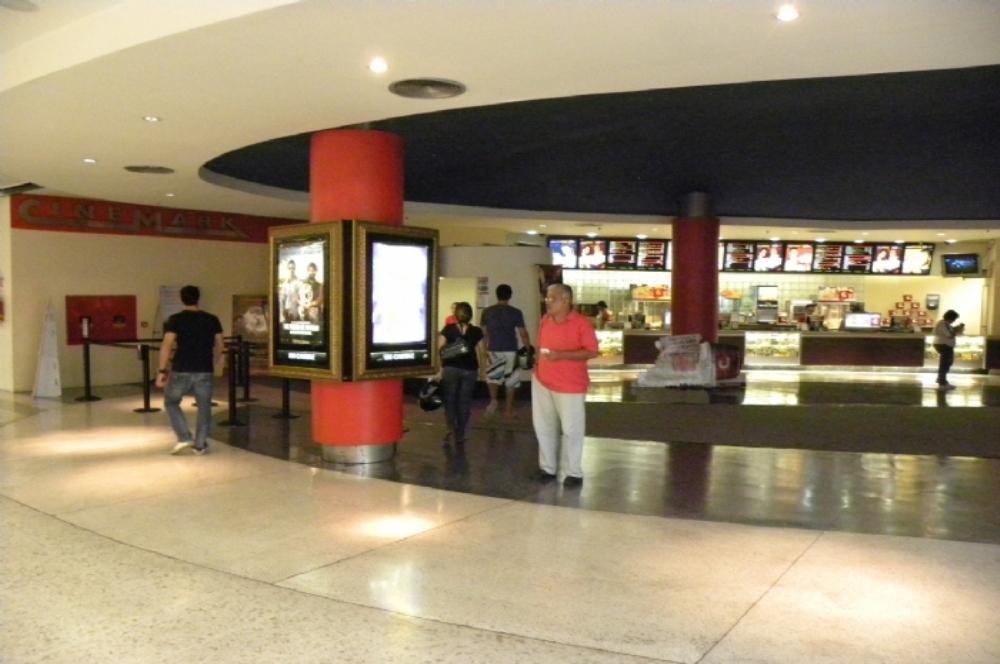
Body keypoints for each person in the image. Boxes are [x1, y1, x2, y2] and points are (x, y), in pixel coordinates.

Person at [532, 283, 599, 487]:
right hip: (542, 381)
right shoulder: (545, 320)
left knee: (571, 429)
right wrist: (537, 365)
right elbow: (540, 346)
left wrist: (561, 355)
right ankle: (548, 468)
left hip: (570, 385)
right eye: (546, 298)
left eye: (552, 299)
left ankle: (573, 472)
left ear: (565, 301)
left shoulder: (581, 323)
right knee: (543, 426)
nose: (547, 302)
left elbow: (592, 351)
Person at [156, 285, 224, 455]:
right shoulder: (212, 319)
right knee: (204, 407)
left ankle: (184, 436)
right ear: (198, 299)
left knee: (171, 401)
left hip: (182, 368)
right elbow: (220, 345)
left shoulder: (176, 319)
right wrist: (213, 362)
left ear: (182, 299)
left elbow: (167, 345)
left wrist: (162, 370)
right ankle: (200, 445)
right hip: (204, 369)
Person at [480, 284, 531, 419]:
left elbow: (484, 334)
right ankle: (508, 410)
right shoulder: (516, 312)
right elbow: (523, 333)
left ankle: (493, 400)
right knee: (511, 381)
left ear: (497, 295)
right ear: (510, 296)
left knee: (493, 378)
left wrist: (484, 350)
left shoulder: (487, 312)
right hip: (511, 350)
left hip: (493, 348)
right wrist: (528, 348)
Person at [438, 302, 486, 444]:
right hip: (470, 370)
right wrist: (483, 372)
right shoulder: (476, 331)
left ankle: (450, 428)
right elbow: (483, 352)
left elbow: (440, 349)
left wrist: (440, 368)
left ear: (455, 315)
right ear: (470, 315)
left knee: (450, 399)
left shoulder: (448, 329)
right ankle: (462, 432)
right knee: (464, 402)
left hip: (450, 369)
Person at [932, 309, 965, 390]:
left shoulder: (944, 324)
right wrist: (958, 328)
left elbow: (950, 332)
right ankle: (942, 382)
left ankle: (941, 380)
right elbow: (950, 335)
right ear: (951, 318)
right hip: (944, 345)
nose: (954, 321)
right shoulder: (943, 324)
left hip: (944, 345)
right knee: (945, 364)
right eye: (954, 319)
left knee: (946, 363)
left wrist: (956, 328)